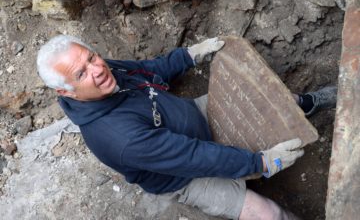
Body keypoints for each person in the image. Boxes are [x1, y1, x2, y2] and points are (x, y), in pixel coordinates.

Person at [36, 35, 336, 220]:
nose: (98, 70)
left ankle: (307, 103)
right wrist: (260, 162)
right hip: (181, 177)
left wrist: (188, 56)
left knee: (267, 93)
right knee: (269, 214)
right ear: (67, 92)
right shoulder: (119, 138)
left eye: (92, 57)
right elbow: (193, 156)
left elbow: (147, 70)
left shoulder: (104, 73)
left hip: (193, 115)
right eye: (82, 73)